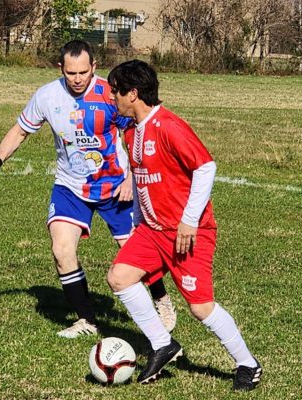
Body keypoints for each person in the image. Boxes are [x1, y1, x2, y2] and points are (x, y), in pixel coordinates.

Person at [0, 41, 176, 338]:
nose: (78, 78)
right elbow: (20, 130)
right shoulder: (47, 96)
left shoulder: (111, 93)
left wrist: (132, 178)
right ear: (61, 69)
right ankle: (87, 320)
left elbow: (135, 131)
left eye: (83, 71)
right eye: (71, 73)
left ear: (94, 67)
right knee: (61, 250)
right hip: (70, 187)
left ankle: (161, 299)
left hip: (115, 186)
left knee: (134, 254)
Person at [105, 60, 262, 391]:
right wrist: (137, 221)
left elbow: (206, 167)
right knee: (119, 278)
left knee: (201, 307)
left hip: (187, 234)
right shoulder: (131, 131)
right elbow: (142, 180)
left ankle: (248, 364)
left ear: (133, 94)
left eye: (116, 90)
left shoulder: (170, 126)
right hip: (152, 231)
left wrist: (189, 222)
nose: (112, 96)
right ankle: (163, 343)